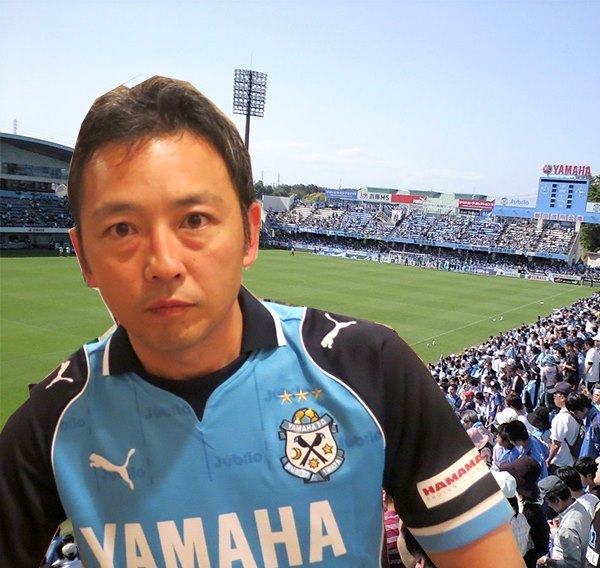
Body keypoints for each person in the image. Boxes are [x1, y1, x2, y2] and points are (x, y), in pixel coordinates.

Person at [0, 77, 523, 567]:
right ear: (84, 258)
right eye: (121, 228)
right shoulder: (53, 422)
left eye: (194, 220)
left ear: (250, 234)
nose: (163, 263)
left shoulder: (370, 367)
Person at [536, 475, 591, 567]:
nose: (548, 506)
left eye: (548, 502)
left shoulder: (568, 527)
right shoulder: (581, 506)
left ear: (556, 500)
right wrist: (555, 531)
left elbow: (573, 565)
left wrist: (546, 561)